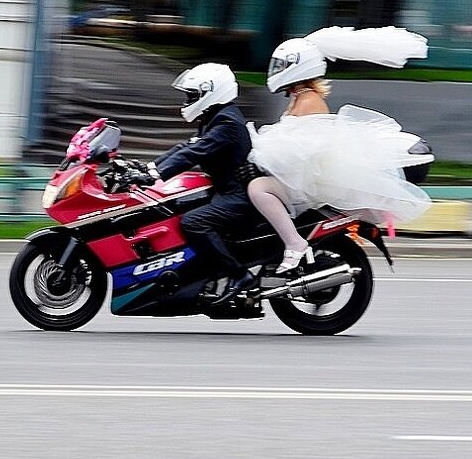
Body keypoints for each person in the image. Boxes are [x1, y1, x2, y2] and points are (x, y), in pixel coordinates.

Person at [246, 26, 435, 273]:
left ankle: (294, 243)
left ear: (299, 67)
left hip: (305, 182)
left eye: (282, 66)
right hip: (299, 176)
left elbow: (301, 148)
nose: (277, 72)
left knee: (258, 190)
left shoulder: (310, 101)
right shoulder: (300, 98)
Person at [130, 62, 259, 305]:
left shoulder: (226, 124)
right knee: (179, 208)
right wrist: (147, 168)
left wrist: (155, 175)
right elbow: (185, 147)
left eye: (192, 96)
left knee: (193, 222)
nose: (187, 101)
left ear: (212, 93)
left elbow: (195, 153)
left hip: (237, 195)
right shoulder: (216, 116)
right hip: (226, 190)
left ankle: (239, 275)